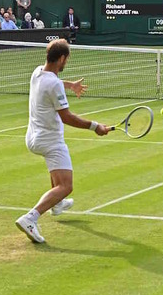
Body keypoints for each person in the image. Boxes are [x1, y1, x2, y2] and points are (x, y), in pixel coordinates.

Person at [15, 39, 109, 243]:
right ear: (61, 58)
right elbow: (67, 117)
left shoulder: (37, 71)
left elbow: (54, 85)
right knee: (66, 185)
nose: (67, 62)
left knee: (58, 178)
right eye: (67, 59)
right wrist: (95, 127)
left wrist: (70, 85)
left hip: (32, 138)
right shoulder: (54, 83)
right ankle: (30, 218)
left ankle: (57, 205)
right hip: (50, 141)